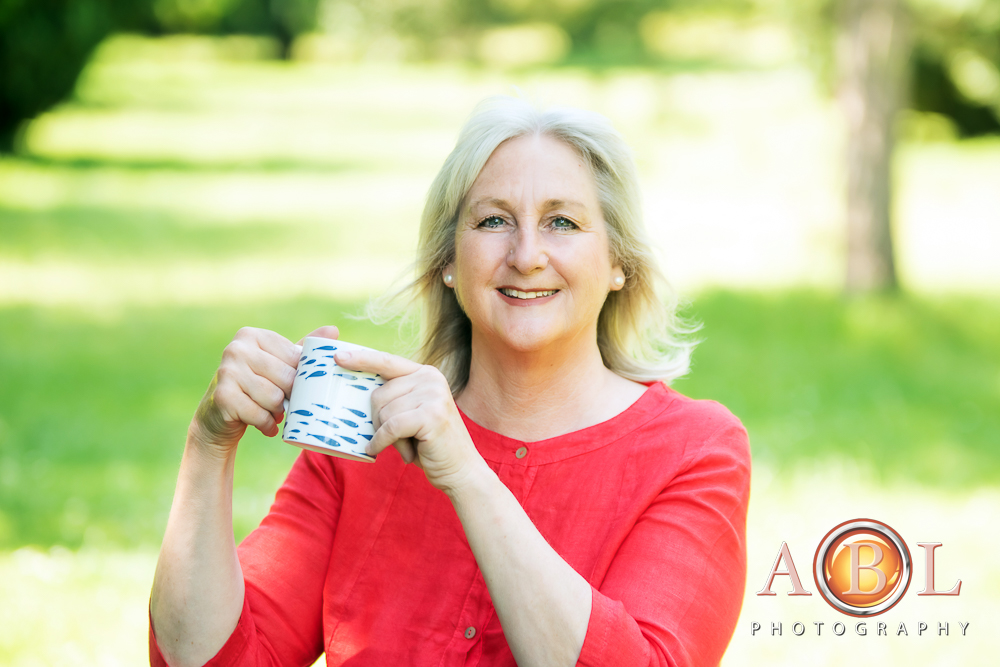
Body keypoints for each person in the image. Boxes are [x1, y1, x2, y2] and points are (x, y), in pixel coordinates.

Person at [149, 96, 751, 667]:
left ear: (620, 262)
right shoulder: (364, 436)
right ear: (447, 262)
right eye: (493, 220)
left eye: (562, 222)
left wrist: (466, 475)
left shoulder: (695, 450)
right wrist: (209, 445)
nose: (526, 255)